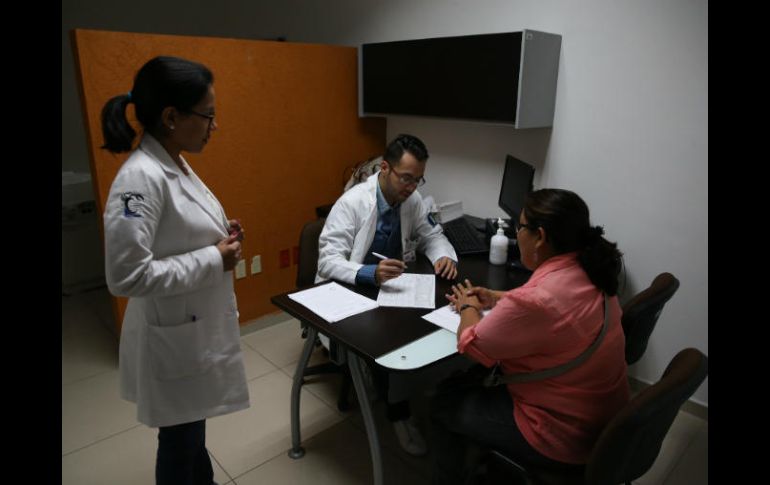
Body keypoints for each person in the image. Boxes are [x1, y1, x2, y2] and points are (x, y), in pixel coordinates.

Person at [101, 56, 249, 485]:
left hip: (189, 326)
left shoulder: (173, 160)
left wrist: (219, 234)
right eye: (208, 115)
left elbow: (177, 227)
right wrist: (214, 258)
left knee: (190, 432)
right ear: (171, 117)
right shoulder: (139, 179)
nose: (214, 126)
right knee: (180, 440)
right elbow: (125, 276)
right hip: (174, 335)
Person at [431, 188, 629, 484]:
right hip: (604, 420)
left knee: (443, 402)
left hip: (562, 435)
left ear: (540, 237)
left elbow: (472, 343)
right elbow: (555, 307)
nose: (516, 234)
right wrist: (498, 297)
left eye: (520, 227)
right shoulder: (591, 268)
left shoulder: (538, 300)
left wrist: (468, 306)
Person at [316, 133, 458, 456]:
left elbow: (432, 235)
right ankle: (398, 414)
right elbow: (328, 261)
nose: (412, 187)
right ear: (384, 168)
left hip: (394, 289)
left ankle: (412, 388)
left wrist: (443, 256)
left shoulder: (412, 200)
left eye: (418, 179)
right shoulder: (352, 203)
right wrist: (369, 273)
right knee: (386, 342)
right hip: (352, 289)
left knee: (425, 328)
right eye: (406, 178)